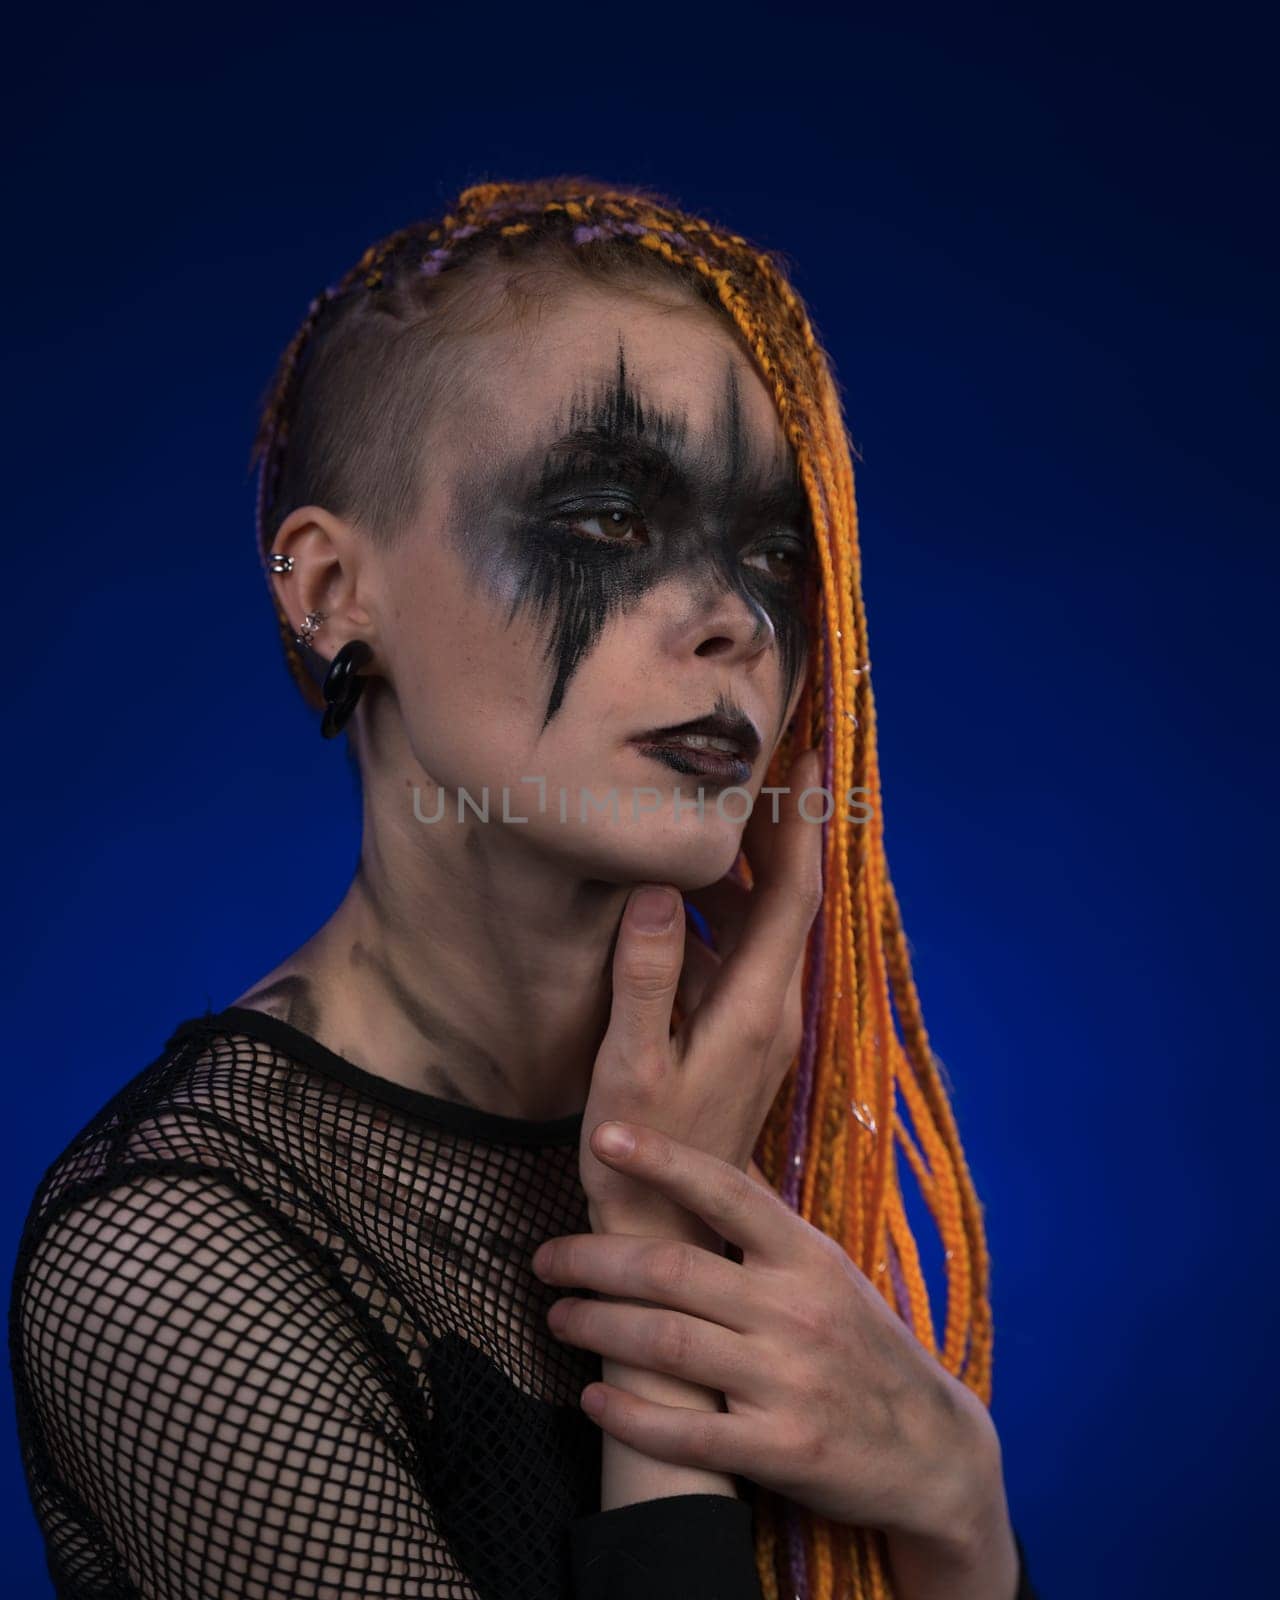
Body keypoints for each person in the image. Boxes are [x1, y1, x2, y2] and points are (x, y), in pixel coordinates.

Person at [9, 176, 1038, 1599]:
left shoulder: (770, 1154)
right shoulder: (167, 1257)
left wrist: (962, 1521)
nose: (735, 614)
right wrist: (661, 1297)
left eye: (777, 551)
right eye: (609, 516)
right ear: (325, 591)